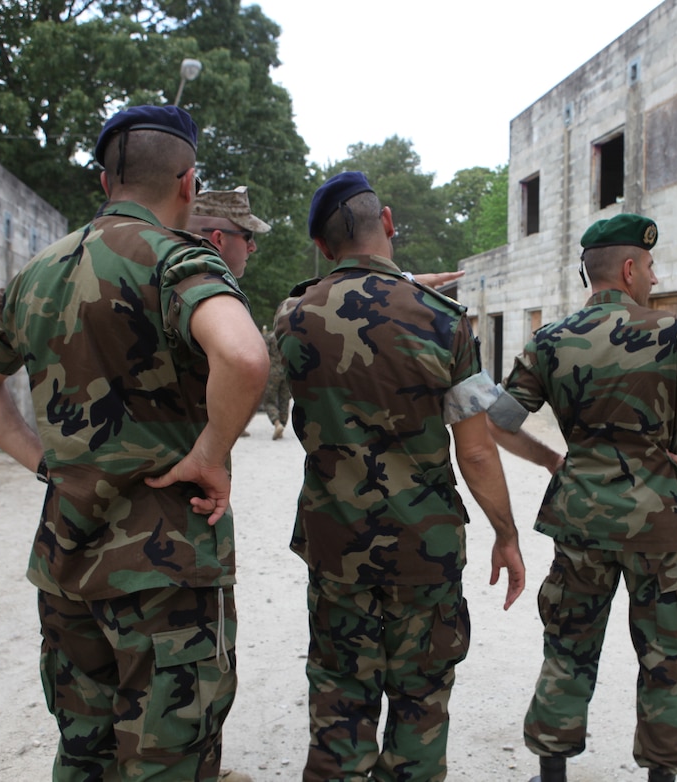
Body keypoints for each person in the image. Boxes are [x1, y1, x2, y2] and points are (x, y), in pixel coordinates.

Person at [0, 104, 268, 782]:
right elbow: (243, 356)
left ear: (102, 181)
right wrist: (208, 453)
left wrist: (45, 462)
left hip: (66, 560)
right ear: (188, 182)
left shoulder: (34, 275)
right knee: (167, 760)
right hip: (165, 567)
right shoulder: (178, 262)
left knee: (84, 753)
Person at [484, 213, 677, 782]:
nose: (655, 280)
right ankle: (661, 772)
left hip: (580, 521)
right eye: (652, 268)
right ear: (630, 268)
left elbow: (500, 420)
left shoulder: (550, 341)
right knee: (665, 656)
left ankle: (553, 772)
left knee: (567, 649)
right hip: (656, 524)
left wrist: (551, 460)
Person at [274, 171, 526, 782]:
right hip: (424, 547)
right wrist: (507, 534)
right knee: (420, 701)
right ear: (387, 221)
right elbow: (478, 453)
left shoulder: (292, 316)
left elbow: (353, 307)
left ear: (324, 245)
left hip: (335, 545)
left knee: (339, 697)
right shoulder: (446, 323)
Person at [188, 186, 272, 438]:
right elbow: (247, 360)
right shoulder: (205, 282)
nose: (253, 247)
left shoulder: (155, 269)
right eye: (247, 236)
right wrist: (211, 454)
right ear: (219, 239)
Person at [262, 327, 290, 439]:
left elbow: (263, 353)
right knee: (284, 402)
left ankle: (277, 424)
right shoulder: (288, 336)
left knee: (269, 401)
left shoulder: (269, 337)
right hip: (286, 372)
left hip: (272, 373)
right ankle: (282, 426)